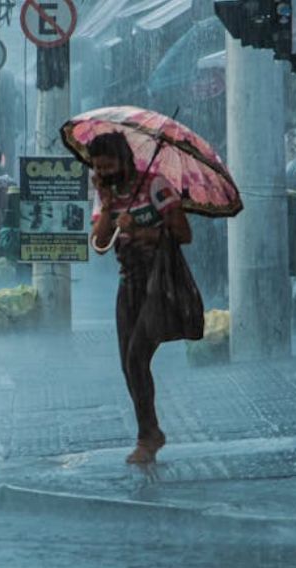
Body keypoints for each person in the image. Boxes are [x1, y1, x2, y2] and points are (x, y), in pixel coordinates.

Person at [87, 132, 193, 465]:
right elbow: (100, 244)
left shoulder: (155, 186)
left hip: (158, 283)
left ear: (124, 161)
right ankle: (150, 431)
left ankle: (148, 436)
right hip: (128, 283)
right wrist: (106, 206)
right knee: (128, 364)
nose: (103, 172)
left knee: (136, 358)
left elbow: (183, 234)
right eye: (98, 168)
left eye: (108, 165)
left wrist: (140, 230)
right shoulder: (107, 195)